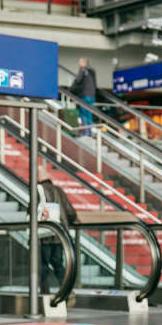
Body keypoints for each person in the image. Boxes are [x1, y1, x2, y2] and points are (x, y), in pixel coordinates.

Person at [35, 163, 78, 294]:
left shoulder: (37, 190)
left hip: (44, 236)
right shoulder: (59, 190)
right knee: (59, 265)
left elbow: (32, 212)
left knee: (42, 266)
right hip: (60, 236)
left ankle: (45, 294)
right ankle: (67, 291)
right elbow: (71, 213)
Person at [69, 58, 97, 135]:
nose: (79, 64)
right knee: (89, 114)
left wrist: (70, 90)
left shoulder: (83, 70)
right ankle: (90, 131)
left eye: (80, 62)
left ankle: (86, 132)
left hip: (84, 95)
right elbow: (95, 84)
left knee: (83, 113)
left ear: (84, 63)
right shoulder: (92, 71)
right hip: (92, 95)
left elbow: (78, 80)